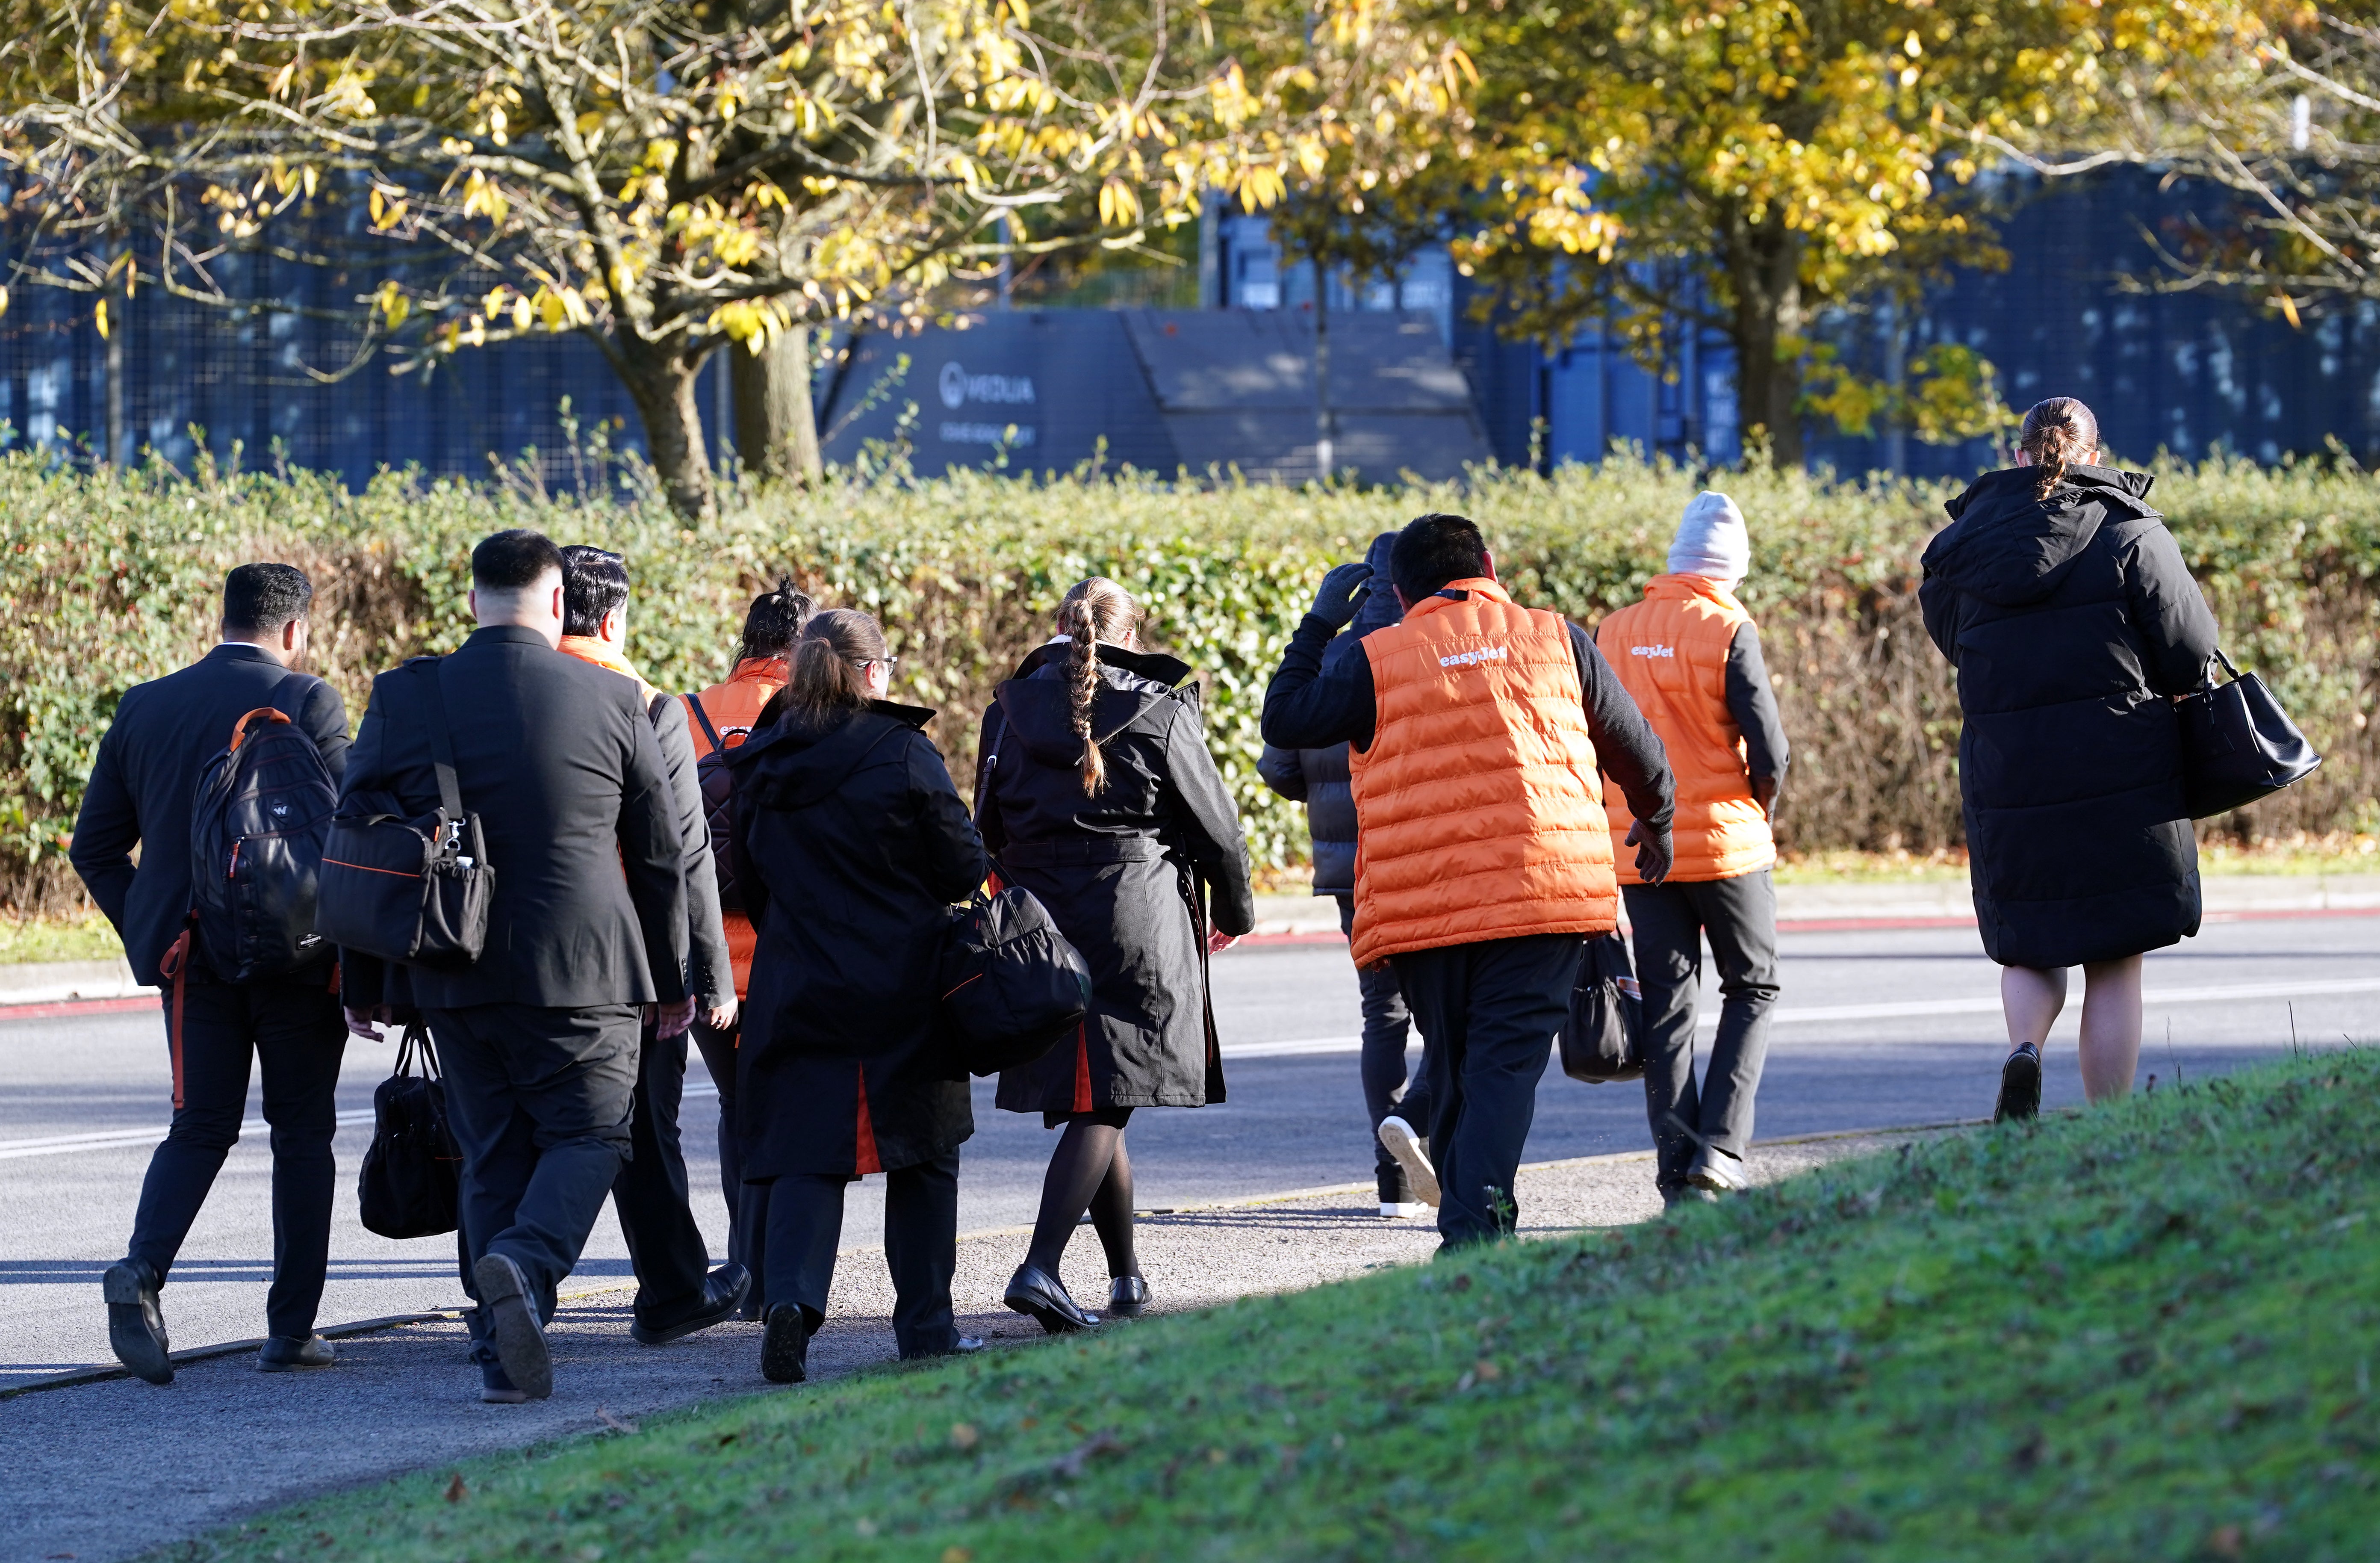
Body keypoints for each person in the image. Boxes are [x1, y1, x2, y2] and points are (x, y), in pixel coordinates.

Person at [338, 529, 690, 1403]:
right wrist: (675, 981)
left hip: (451, 967)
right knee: (594, 1135)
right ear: (562, 605)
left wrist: (363, 978)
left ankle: (504, 1355)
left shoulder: (407, 694)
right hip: (591, 967)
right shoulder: (614, 699)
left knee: (492, 1152)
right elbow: (659, 856)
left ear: (471, 602)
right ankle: (525, 1268)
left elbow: (355, 843)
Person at [1262, 514, 1676, 1249]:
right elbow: (1634, 747)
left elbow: (1286, 718)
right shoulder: (1556, 637)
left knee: (1456, 1066)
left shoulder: (1375, 656)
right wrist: (1658, 818)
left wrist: (1321, 622)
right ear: (1487, 563)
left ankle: (1474, 1226)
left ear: (1398, 587)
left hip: (1424, 910)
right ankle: (1474, 1232)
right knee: (1502, 1070)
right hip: (1541, 892)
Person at [71, 564, 351, 1384]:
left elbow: (95, 848)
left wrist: (154, 930)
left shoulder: (146, 705)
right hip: (299, 963)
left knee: (200, 1126)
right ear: (294, 631)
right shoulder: (308, 702)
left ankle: (141, 1272)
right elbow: (354, 827)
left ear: (222, 617)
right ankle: (290, 1330)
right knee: (302, 1135)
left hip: (193, 963)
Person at [1920, 397, 2218, 1119]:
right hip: (2123, 772)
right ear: (2094, 453)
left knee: (2029, 946)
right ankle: (2107, 1122)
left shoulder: (1958, 549)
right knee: (2115, 961)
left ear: (2021, 455)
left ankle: (2025, 1049)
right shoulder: (2130, 533)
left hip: (2009, 772)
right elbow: (2191, 650)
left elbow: (1955, 643)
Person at [977, 579, 1256, 1332]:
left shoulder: (1007, 712)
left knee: (1098, 1097)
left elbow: (987, 825)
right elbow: (1219, 831)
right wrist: (1235, 912)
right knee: (1108, 1098)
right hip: (1139, 915)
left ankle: (1125, 1274)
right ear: (1134, 634)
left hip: (1040, 923)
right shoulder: (1161, 709)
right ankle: (1040, 1265)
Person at [726, 610, 988, 1383]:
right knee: (925, 1154)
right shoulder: (902, 751)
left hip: (797, 976)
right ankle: (926, 1331)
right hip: (902, 977)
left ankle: (793, 1306)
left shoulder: (762, 761)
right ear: (874, 674)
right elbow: (962, 866)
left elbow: (751, 876)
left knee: (808, 1153)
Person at [556, 545, 750, 1343]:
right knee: (641, 1128)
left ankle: (498, 1303)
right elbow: (681, 856)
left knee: (510, 1130)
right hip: (628, 963)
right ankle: (670, 1289)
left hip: (500, 957)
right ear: (613, 618)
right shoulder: (646, 703)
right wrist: (706, 979)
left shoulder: (485, 691)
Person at [1594, 493, 1790, 1206]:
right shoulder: (1728, 627)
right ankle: (1724, 1149)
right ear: (1731, 568)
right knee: (1753, 985)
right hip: (1728, 845)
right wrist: (1759, 810)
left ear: (1676, 560)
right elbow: (1771, 750)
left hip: (1643, 848)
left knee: (1669, 1007)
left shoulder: (1613, 631)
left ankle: (1677, 1172)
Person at [1256, 529, 1433, 1218]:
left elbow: (1279, 765)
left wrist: (1330, 798)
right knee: (1447, 1015)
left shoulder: (1329, 655)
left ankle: (1391, 1186)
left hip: (1348, 866)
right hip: (1422, 857)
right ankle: (1430, 1147)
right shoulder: (1426, 651)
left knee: (1382, 1017)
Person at [679, 579, 813, 1318]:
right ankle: (774, 1272)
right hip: (784, 948)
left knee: (738, 1110)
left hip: (706, 958)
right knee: (787, 1111)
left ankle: (742, 1265)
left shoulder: (689, 712)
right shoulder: (812, 718)